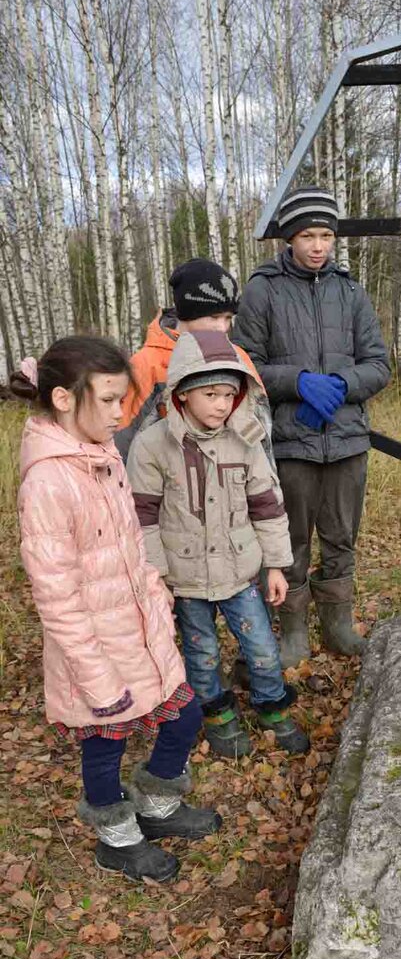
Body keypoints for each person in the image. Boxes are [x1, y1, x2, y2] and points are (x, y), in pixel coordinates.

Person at [12, 338, 221, 884]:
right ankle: (117, 839)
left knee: (185, 714)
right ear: (62, 398)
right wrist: (96, 676)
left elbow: (129, 543)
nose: (119, 413)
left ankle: (156, 806)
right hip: (94, 648)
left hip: (140, 629)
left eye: (121, 400)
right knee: (106, 741)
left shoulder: (104, 456)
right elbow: (56, 597)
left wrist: (154, 591)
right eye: (106, 400)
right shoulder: (49, 481)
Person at [126, 328, 309, 759]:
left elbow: (267, 505)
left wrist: (277, 566)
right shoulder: (152, 445)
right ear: (182, 394)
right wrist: (158, 575)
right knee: (202, 652)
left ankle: (271, 706)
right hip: (185, 578)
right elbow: (142, 518)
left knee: (262, 646)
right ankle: (217, 715)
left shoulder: (245, 440)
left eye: (228, 394)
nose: (221, 405)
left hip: (240, 573)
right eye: (210, 394)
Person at [232, 186, 391, 668]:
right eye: (307, 235)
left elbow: (379, 365)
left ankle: (339, 626)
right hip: (290, 442)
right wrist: (298, 382)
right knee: (291, 540)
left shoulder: (350, 291)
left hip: (346, 441)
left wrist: (340, 385)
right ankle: (294, 632)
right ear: (289, 238)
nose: (318, 245)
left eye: (325, 235)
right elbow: (245, 364)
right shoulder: (263, 290)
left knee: (341, 536)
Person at [115, 258, 265, 461]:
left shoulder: (239, 358)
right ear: (187, 313)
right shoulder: (146, 364)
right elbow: (121, 440)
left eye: (228, 318)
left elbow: (261, 430)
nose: (223, 328)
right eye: (214, 317)